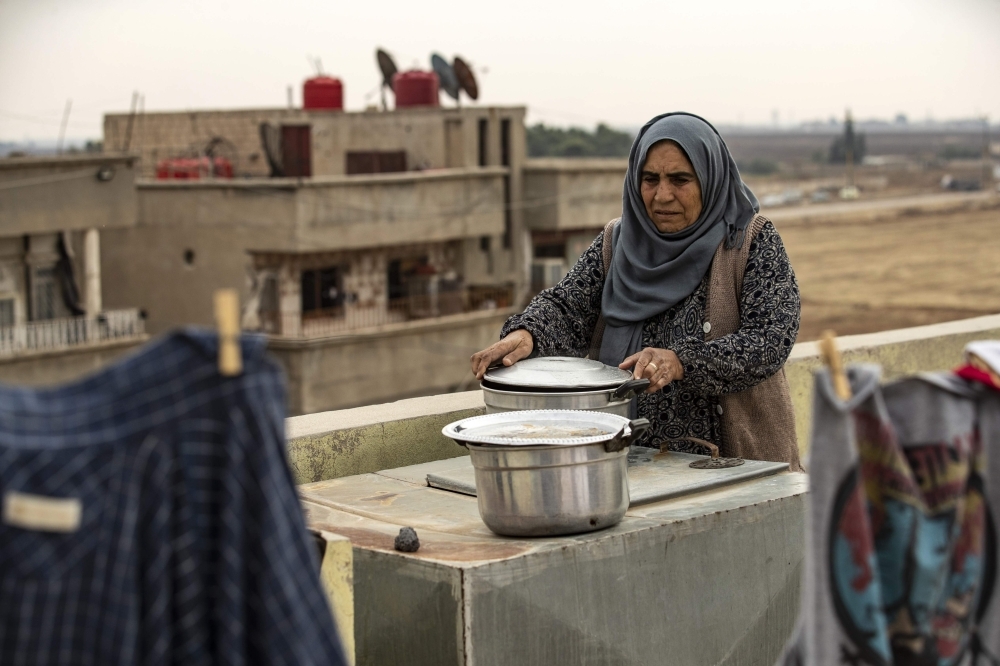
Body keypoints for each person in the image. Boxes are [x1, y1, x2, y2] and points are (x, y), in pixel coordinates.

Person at [470, 112, 802, 469]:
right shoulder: (618, 242)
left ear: (710, 179)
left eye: (680, 179)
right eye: (650, 179)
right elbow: (567, 307)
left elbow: (770, 339)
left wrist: (680, 362)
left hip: (734, 470)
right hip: (631, 468)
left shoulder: (749, 241)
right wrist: (528, 333)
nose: (662, 195)